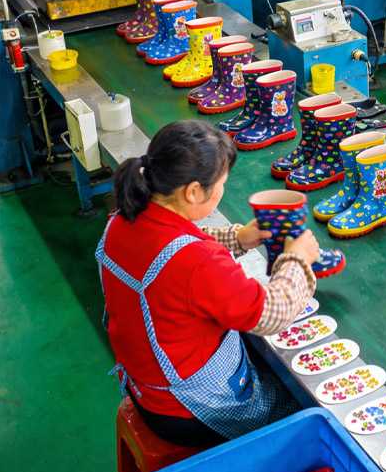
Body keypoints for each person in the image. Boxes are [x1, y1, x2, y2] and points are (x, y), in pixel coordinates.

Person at [96, 120, 319, 446]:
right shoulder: (198, 263)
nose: (223, 190)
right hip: (191, 410)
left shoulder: (123, 219)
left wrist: (238, 238)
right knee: (302, 406)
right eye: (221, 184)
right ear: (193, 192)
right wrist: (297, 260)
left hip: (146, 389)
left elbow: (175, 248)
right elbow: (270, 313)